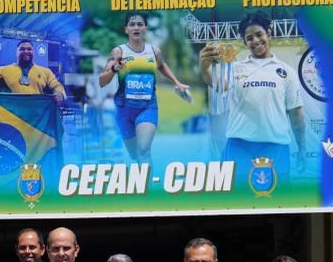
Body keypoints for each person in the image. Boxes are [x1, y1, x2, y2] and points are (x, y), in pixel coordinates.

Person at [198, 10, 305, 186]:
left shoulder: (287, 71)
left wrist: (302, 149)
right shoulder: (236, 68)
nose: (255, 40)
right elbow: (218, 85)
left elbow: (296, 114)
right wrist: (204, 68)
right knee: (240, 198)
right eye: (249, 38)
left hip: (275, 145)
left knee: (278, 199)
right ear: (245, 42)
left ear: (268, 34)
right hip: (239, 145)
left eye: (259, 34)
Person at [98, 12, 191, 162]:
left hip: (147, 107)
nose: (136, 27)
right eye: (132, 24)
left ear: (145, 28)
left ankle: (147, 178)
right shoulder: (118, 52)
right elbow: (102, 81)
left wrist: (177, 82)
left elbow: (161, 65)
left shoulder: (154, 51)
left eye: (140, 24)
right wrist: (114, 69)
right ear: (126, 29)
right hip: (124, 110)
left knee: (143, 150)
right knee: (135, 155)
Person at [0, 39, 66, 105]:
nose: (26, 51)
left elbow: (57, 85)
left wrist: (60, 94)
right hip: (14, 117)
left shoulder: (46, 72)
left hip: (37, 118)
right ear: (16, 52)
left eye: (29, 49)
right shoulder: (5, 70)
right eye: (22, 49)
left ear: (33, 52)